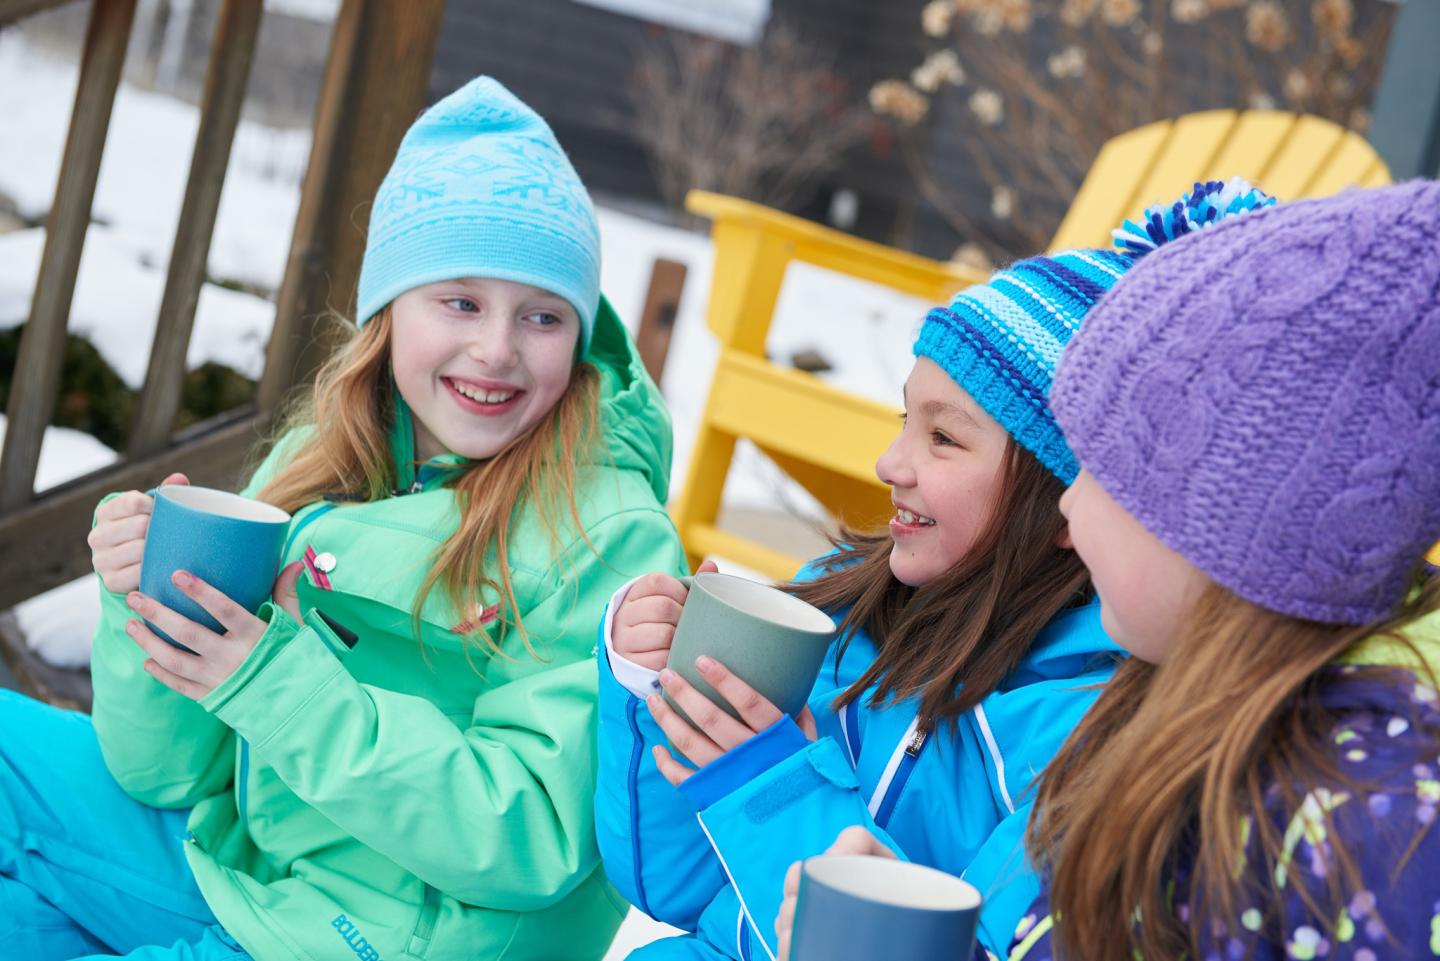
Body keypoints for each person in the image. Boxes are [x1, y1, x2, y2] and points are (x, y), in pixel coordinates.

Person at [10, 76, 688, 961]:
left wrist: (273, 681)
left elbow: (526, 834)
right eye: (460, 300)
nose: (497, 348)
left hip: (394, 938)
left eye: (543, 316)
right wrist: (140, 603)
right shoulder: (322, 459)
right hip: (253, 866)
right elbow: (167, 771)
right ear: (390, 309)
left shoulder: (605, 533)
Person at [594, 181, 1274, 960]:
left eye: (944, 439)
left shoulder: (1088, 727)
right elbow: (671, 889)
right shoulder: (849, 606)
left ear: (1064, 495)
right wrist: (656, 694)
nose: (890, 464)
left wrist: (767, 783)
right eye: (902, 420)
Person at [777, 179, 1440, 960]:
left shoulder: (1361, 826)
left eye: (1099, 470)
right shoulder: (1196, 725)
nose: (1066, 504)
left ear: (1215, 529)